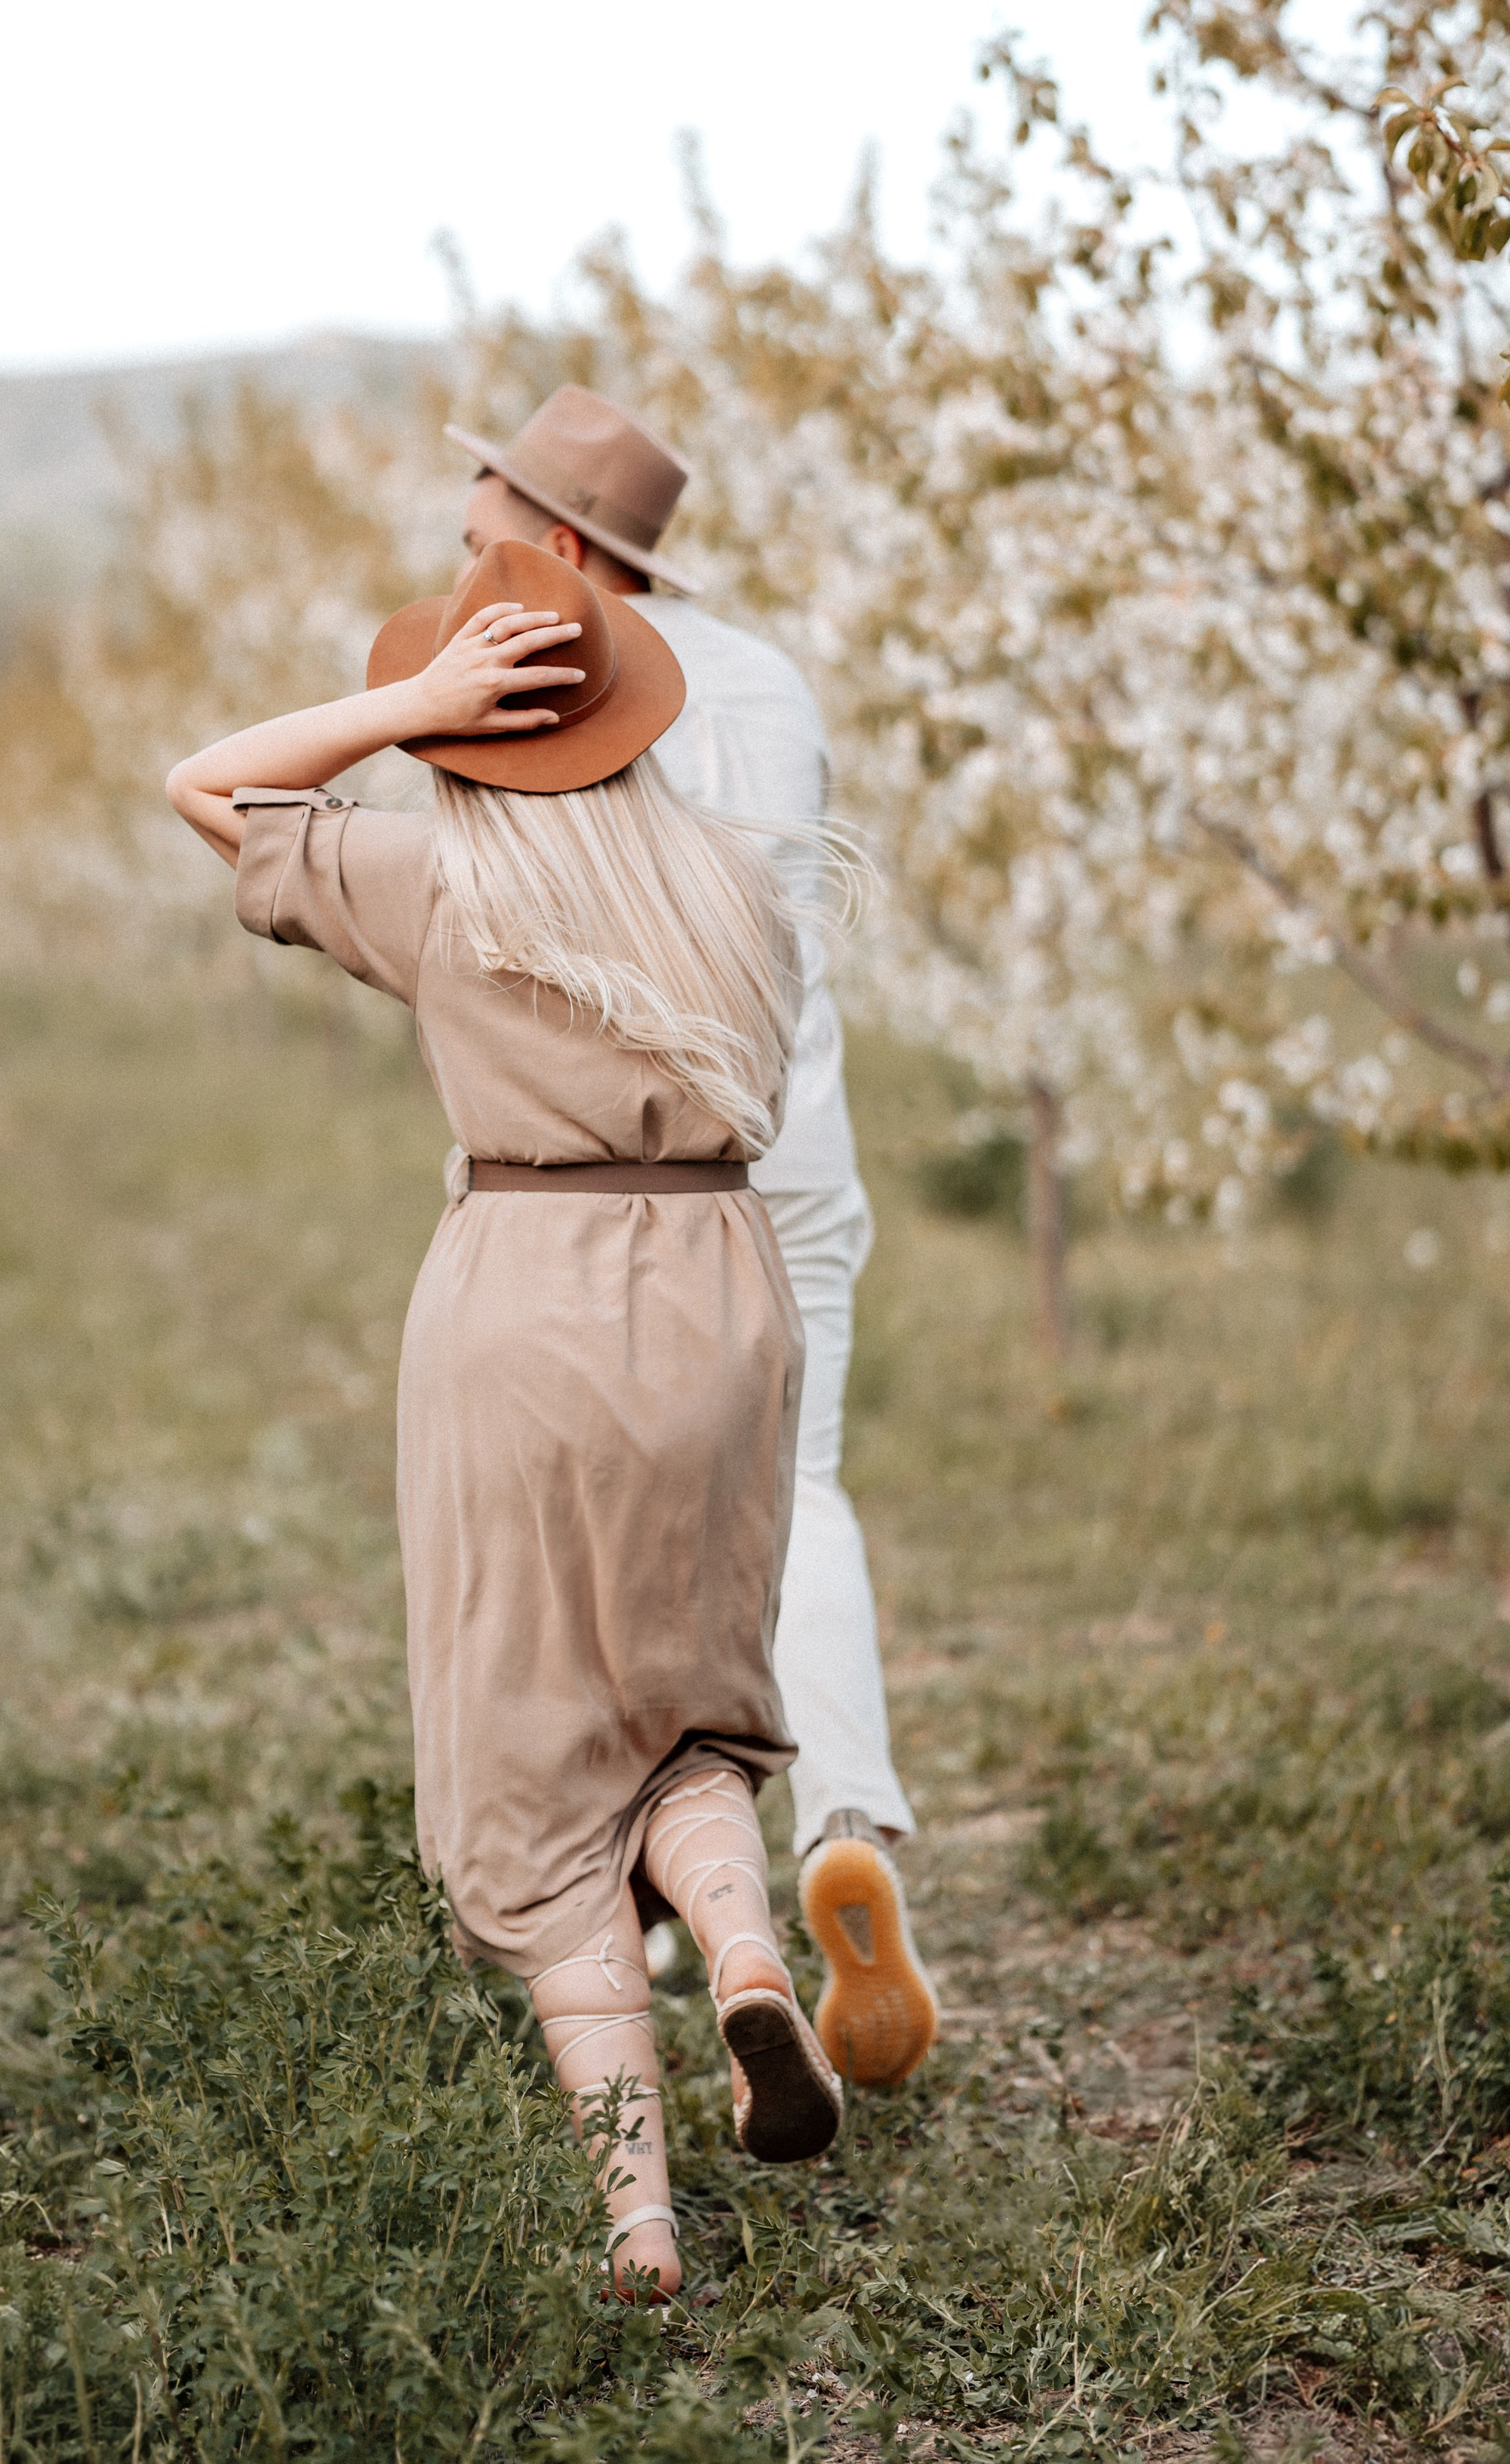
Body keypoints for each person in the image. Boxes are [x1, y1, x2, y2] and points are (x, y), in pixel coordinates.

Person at [167, 535, 844, 2300]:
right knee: (689, 1701)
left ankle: (637, 2215)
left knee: (532, 1748)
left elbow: (204, 786)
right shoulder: (727, 885)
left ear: (478, 730)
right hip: (717, 1292)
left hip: (525, 1305)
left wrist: (408, 708)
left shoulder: (434, 882)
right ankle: (746, 1954)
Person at [442, 387, 937, 2091]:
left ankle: (645, 1911)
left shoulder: (546, 683)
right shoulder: (772, 682)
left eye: (483, 528)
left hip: (605, 1186)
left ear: (565, 548)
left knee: (592, 1552)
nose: (459, 563)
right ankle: (838, 1834)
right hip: (789, 1153)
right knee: (790, 1501)